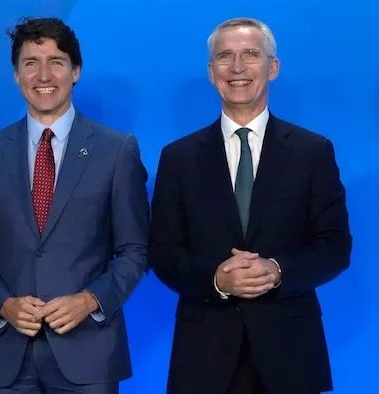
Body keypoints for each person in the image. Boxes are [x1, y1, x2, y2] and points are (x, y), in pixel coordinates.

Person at [149, 17, 352, 394]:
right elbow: (161, 252)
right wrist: (216, 279)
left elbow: (335, 246)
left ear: (272, 67)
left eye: (250, 55)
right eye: (225, 57)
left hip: (291, 355)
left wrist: (277, 270)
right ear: (212, 73)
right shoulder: (178, 157)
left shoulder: (312, 152)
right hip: (203, 359)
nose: (238, 68)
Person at [0, 17, 150, 394]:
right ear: (16, 75)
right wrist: (3, 305)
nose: (43, 74)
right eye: (31, 62)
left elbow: (135, 250)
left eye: (56, 61)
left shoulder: (116, 150)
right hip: (8, 358)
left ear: (75, 71)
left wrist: (90, 299)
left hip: (89, 354)